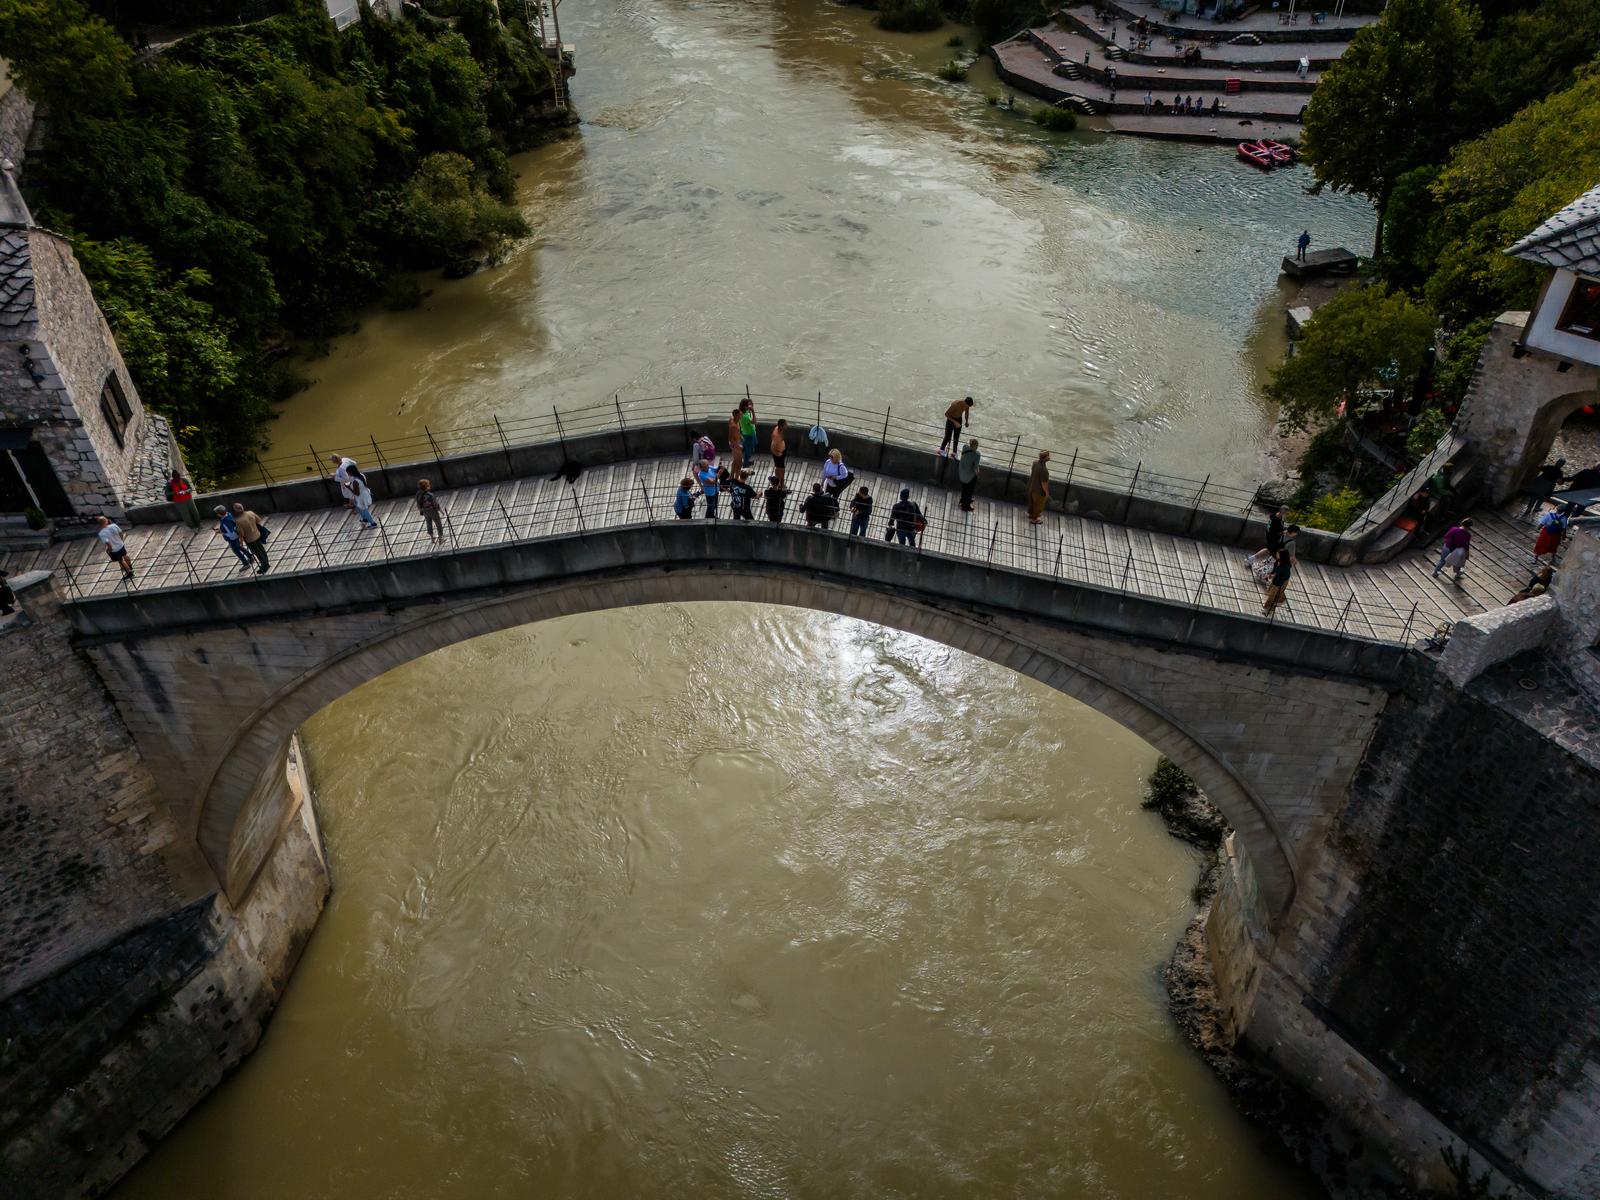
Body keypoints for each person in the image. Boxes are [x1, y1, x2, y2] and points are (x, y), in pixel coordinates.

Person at [232, 502, 270, 574]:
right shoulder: (250, 513)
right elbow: (258, 520)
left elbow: (241, 534)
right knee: (262, 550)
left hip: (250, 539)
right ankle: (266, 563)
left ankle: (264, 566)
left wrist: (241, 543)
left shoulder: (238, 521)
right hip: (257, 534)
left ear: (236, 510)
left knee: (258, 553)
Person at [214, 504, 255, 571]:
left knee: (236, 551)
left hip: (233, 539)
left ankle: (246, 563)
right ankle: (250, 556)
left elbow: (231, 534)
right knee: (240, 547)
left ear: (219, 514)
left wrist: (221, 532)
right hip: (237, 533)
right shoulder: (229, 514)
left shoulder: (224, 523)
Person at [96, 515, 134, 582]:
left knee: (121, 561)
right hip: (120, 544)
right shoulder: (114, 525)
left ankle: (129, 572)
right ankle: (130, 566)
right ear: (106, 521)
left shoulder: (102, 533)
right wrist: (121, 540)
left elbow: (108, 544)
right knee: (125, 555)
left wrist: (109, 550)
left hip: (114, 549)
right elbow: (121, 533)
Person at [1262, 547, 1293, 614]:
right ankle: (1280, 600)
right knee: (1273, 594)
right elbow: (1275, 569)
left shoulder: (1286, 566)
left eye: (1278, 554)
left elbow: (1286, 576)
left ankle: (1267, 608)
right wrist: (1271, 574)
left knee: (1272, 596)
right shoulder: (1278, 561)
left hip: (1280, 582)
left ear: (1282, 556)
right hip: (1276, 579)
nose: (1276, 554)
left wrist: (1276, 578)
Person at [416, 479, 444, 545]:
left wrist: (420, 510)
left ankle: (432, 538)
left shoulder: (418, 494)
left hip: (425, 511)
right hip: (432, 511)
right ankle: (440, 539)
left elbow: (418, 503)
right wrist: (440, 510)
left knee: (429, 523)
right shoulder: (430, 495)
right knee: (438, 524)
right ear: (427, 486)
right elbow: (435, 504)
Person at [1027, 450, 1051, 523]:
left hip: (1032, 486)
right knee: (1038, 505)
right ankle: (1034, 519)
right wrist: (1046, 493)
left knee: (1032, 503)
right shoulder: (1044, 470)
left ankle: (1031, 514)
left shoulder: (1035, 463)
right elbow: (1044, 484)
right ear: (1046, 458)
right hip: (1039, 491)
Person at [958, 439, 981, 511]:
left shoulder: (965, 447)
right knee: (969, 491)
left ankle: (962, 500)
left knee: (964, 488)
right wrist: (977, 472)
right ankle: (966, 506)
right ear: (977, 446)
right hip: (969, 477)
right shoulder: (977, 454)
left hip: (961, 473)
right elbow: (975, 468)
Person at [738, 398, 758, 468]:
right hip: (748, 435)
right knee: (748, 452)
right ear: (745, 406)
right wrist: (752, 411)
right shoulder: (744, 416)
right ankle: (745, 467)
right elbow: (755, 421)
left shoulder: (743, 412)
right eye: (748, 405)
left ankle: (747, 461)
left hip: (749, 433)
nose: (750, 406)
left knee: (751, 448)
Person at [770, 419, 788, 486]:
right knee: (781, 470)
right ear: (781, 426)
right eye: (785, 424)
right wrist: (777, 453)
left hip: (781, 451)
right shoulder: (777, 435)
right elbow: (772, 446)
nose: (787, 425)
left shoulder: (778, 428)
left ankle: (778, 483)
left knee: (778, 468)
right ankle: (781, 485)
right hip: (778, 454)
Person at [727, 407, 744, 474]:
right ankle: (736, 479)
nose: (741, 416)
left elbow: (737, 432)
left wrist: (740, 436)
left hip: (736, 442)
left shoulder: (733, 419)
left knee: (735, 460)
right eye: (740, 415)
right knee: (739, 463)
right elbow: (730, 438)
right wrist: (738, 446)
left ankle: (731, 475)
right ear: (736, 415)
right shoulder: (733, 426)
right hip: (735, 445)